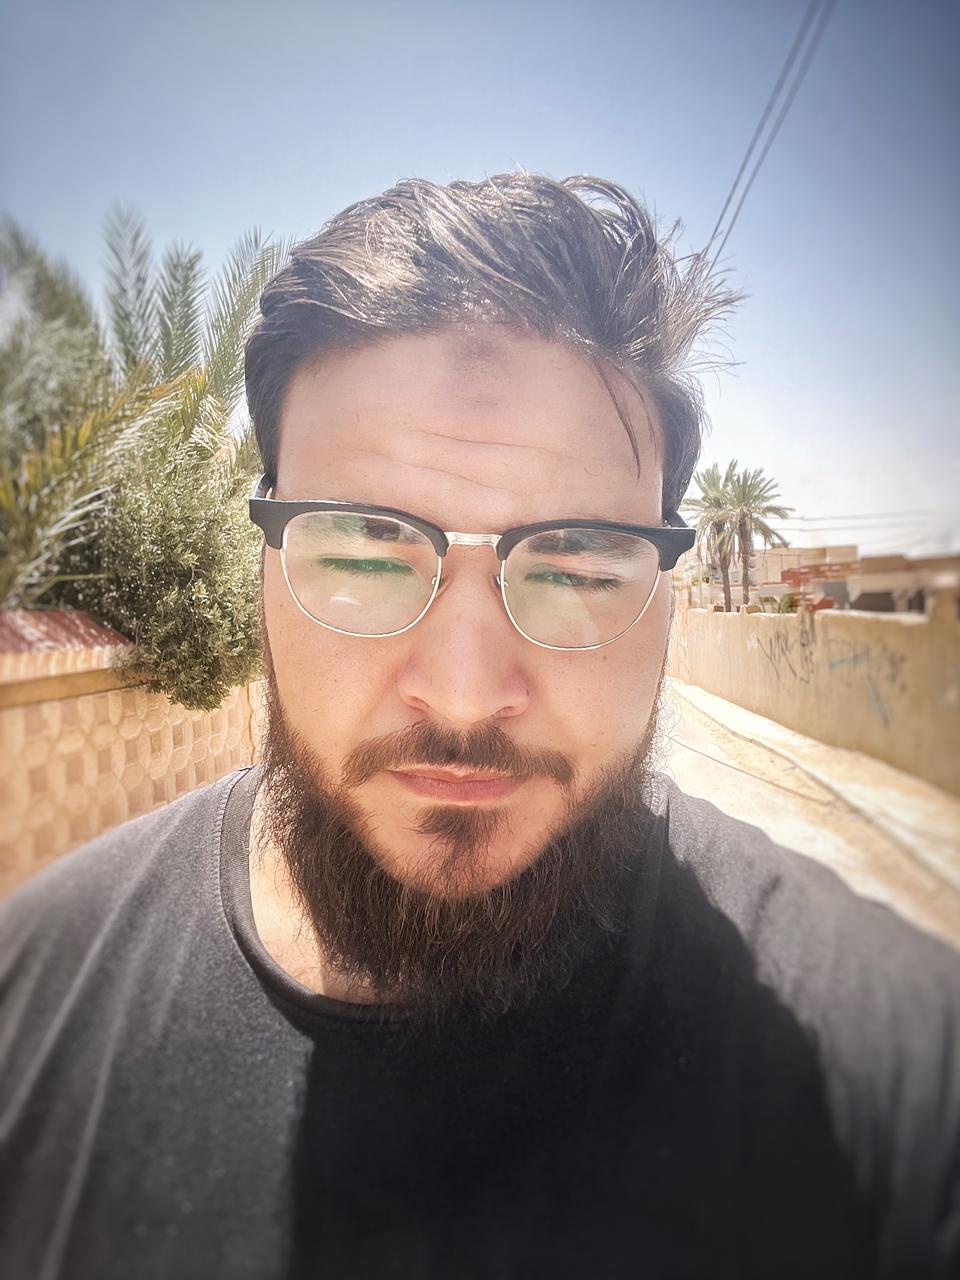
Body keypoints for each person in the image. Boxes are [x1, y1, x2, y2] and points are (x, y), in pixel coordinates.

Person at [0, 174, 957, 1280]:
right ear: (263, 564)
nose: (462, 695)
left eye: (580, 567)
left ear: (668, 596)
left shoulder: (899, 1077)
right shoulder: (32, 1003)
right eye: (364, 551)